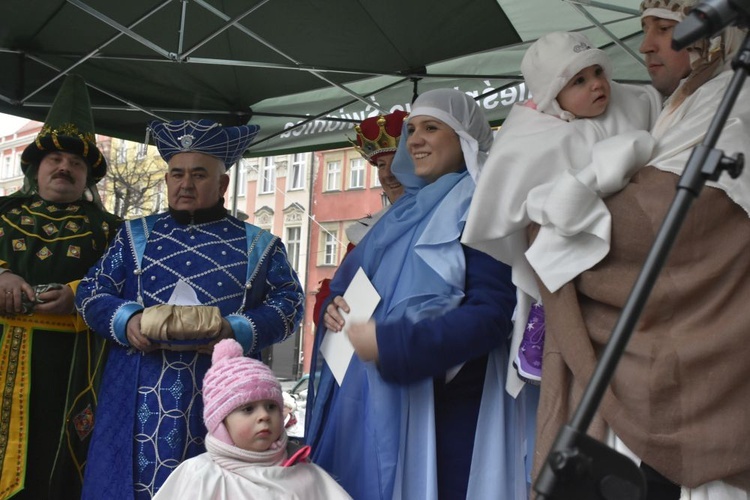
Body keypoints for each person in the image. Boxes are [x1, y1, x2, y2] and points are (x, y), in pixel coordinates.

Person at [523, 2, 750, 499]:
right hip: (653, 380)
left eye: (666, 30)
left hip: (704, 375)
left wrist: (549, 227)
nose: (644, 45)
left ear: (714, 36)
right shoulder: (682, 105)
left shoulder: (736, 103)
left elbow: (666, 228)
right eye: (644, 29)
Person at [306, 89, 535, 500]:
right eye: (411, 129)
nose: (414, 140)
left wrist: (395, 343)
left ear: (465, 138)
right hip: (377, 400)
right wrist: (333, 310)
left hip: (447, 410)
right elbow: (347, 287)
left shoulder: (483, 207)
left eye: (431, 128)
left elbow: (492, 317)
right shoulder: (401, 213)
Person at [75, 119, 305, 499]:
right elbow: (90, 291)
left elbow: (291, 303)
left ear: (223, 185)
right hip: (135, 393)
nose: (185, 184)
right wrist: (126, 320)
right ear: (166, 180)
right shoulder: (133, 236)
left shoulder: (261, 245)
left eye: (199, 175)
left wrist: (236, 330)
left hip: (224, 399)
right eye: (176, 174)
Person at [462, 31, 660, 391]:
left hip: (631, 230)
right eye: (579, 81)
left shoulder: (633, 102)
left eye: (598, 72)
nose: (598, 85)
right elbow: (515, 192)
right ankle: (544, 318)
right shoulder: (531, 133)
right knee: (555, 234)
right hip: (571, 228)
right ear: (553, 94)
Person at [0, 74, 121, 500]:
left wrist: (77, 293)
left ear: (88, 176)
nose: (65, 167)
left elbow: (126, 284)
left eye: (76, 162)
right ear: (36, 167)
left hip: (75, 369)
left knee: (59, 469)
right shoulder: (2, 213)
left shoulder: (113, 232)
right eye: (55, 159)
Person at [152, 339, 351, 499]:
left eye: (271, 406)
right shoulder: (201, 476)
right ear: (221, 423)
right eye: (248, 409)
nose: (264, 415)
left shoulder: (305, 475)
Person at [312, 110, 407, 325]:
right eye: (381, 165)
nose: (388, 174)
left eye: (397, 161)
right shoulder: (365, 233)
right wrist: (329, 308)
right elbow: (337, 289)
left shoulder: (447, 216)